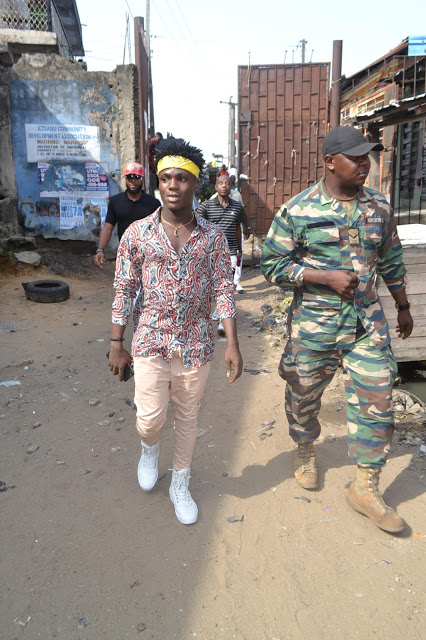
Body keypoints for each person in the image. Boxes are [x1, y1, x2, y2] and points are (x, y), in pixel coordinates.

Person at [261, 126, 413, 534]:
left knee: (378, 396)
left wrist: (403, 307)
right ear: (330, 162)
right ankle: (305, 448)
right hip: (316, 325)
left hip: (366, 323)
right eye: (356, 157)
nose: (365, 164)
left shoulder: (379, 206)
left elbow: (392, 259)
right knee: (303, 395)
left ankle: (365, 487)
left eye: (368, 157)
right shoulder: (298, 210)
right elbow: (272, 264)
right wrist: (322, 276)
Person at [108, 139, 243, 525]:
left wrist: (232, 343)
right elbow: (124, 289)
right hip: (150, 340)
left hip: (197, 344)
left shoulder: (213, 238)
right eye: (166, 177)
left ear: (195, 184)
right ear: (158, 182)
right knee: (150, 418)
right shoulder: (137, 234)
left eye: (181, 178)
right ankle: (149, 447)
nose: (172, 184)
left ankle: (180, 484)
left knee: (186, 416)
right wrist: (116, 343)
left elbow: (223, 289)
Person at [198, 173, 247, 329]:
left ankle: (221, 318)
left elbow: (238, 229)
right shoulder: (206, 207)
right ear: (216, 186)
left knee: (227, 285)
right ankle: (216, 309)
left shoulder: (237, 207)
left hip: (230, 251)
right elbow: (197, 226)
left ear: (231, 186)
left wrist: (239, 249)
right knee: (211, 285)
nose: (224, 186)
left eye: (227, 183)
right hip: (211, 252)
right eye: (221, 183)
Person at [94, 162, 160, 268]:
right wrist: (100, 250)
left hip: (148, 256)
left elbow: (160, 230)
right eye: (129, 177)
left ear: (143, 179)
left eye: (137, 177)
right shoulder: (116, 202)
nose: (133, 181)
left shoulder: (153, 203)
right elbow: (108, 228)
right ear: (125, 179)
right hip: (125, 255)